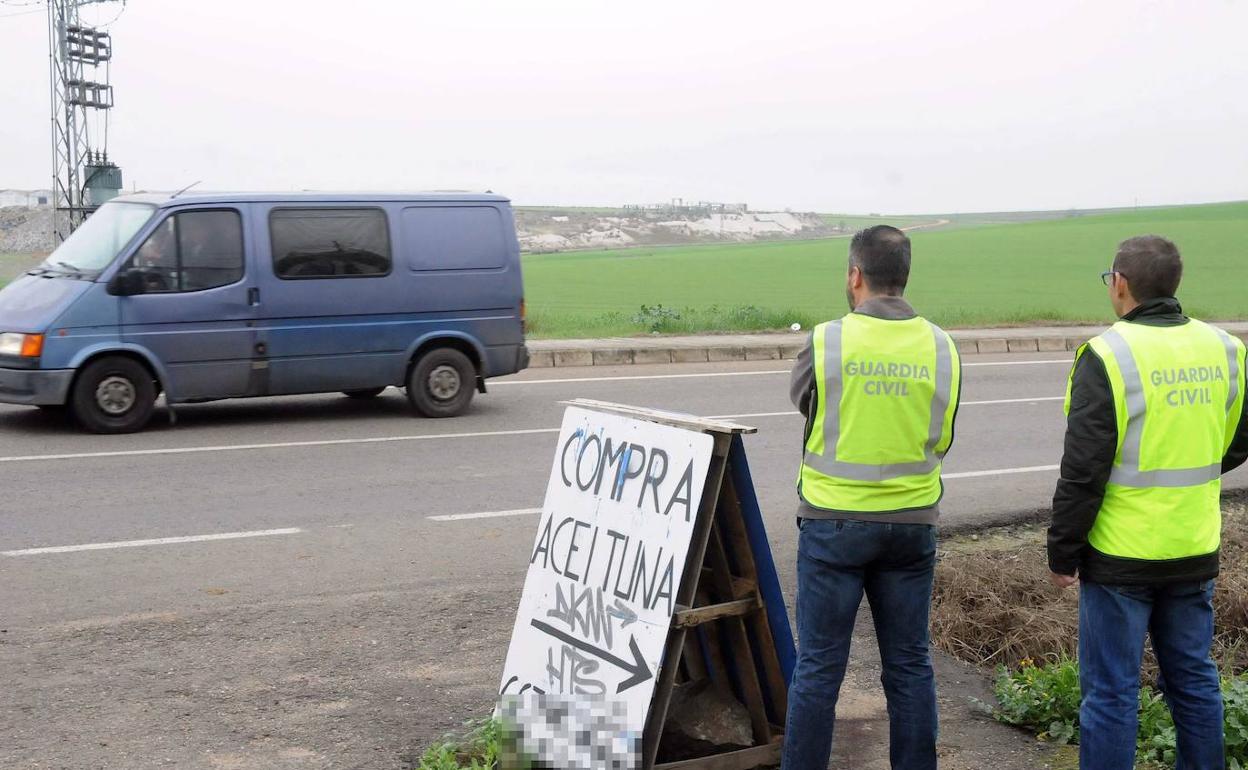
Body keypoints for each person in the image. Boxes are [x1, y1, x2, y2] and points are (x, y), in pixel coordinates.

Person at [1048, 235, 1248, 770]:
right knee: (1195, 680)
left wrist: (1062, 550)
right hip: (1193, 546)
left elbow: (1083, 468)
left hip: (1121, 555)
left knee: (1111, 694)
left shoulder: (1107, 354)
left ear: (1120, 283)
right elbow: (1238, 439)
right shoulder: (1226, 349)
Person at [782, 225, 961, 770]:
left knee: (818, 669)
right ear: (904, 276)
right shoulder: (940, 344)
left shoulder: (826, 339)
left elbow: (804, 404)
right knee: (909, 666)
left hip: (833, 523)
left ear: (855, 275)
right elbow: (943, 434)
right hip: (912, 524)